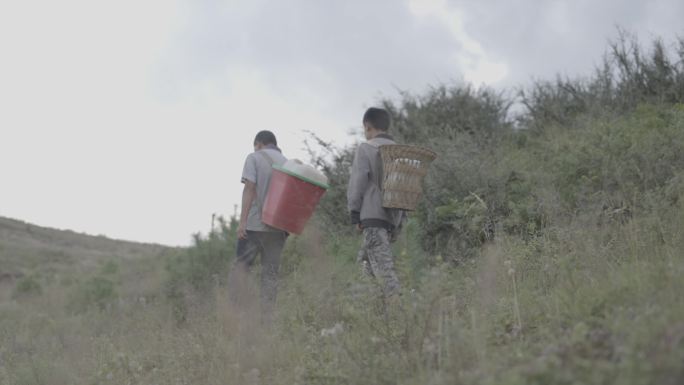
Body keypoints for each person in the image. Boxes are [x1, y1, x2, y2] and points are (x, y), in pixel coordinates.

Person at [228, 130, 288, 322]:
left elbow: (250, 188)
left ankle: (235, 316)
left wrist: (242, 222)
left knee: (241, 270)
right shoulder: (288, 163)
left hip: (254, 226)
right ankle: (267, 321)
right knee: (270, 275)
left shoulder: (254, 158)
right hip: (278, 229)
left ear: (259, 144)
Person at [347, 107, 405, 298]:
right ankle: (371, 310)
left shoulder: (366, 148)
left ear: (368, 127)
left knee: (384, 272)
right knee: (365, 265)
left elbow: (358, 182)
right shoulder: (400, 152)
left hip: (372, 216)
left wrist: (354, 212)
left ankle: (399, 312)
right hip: (392, 219)